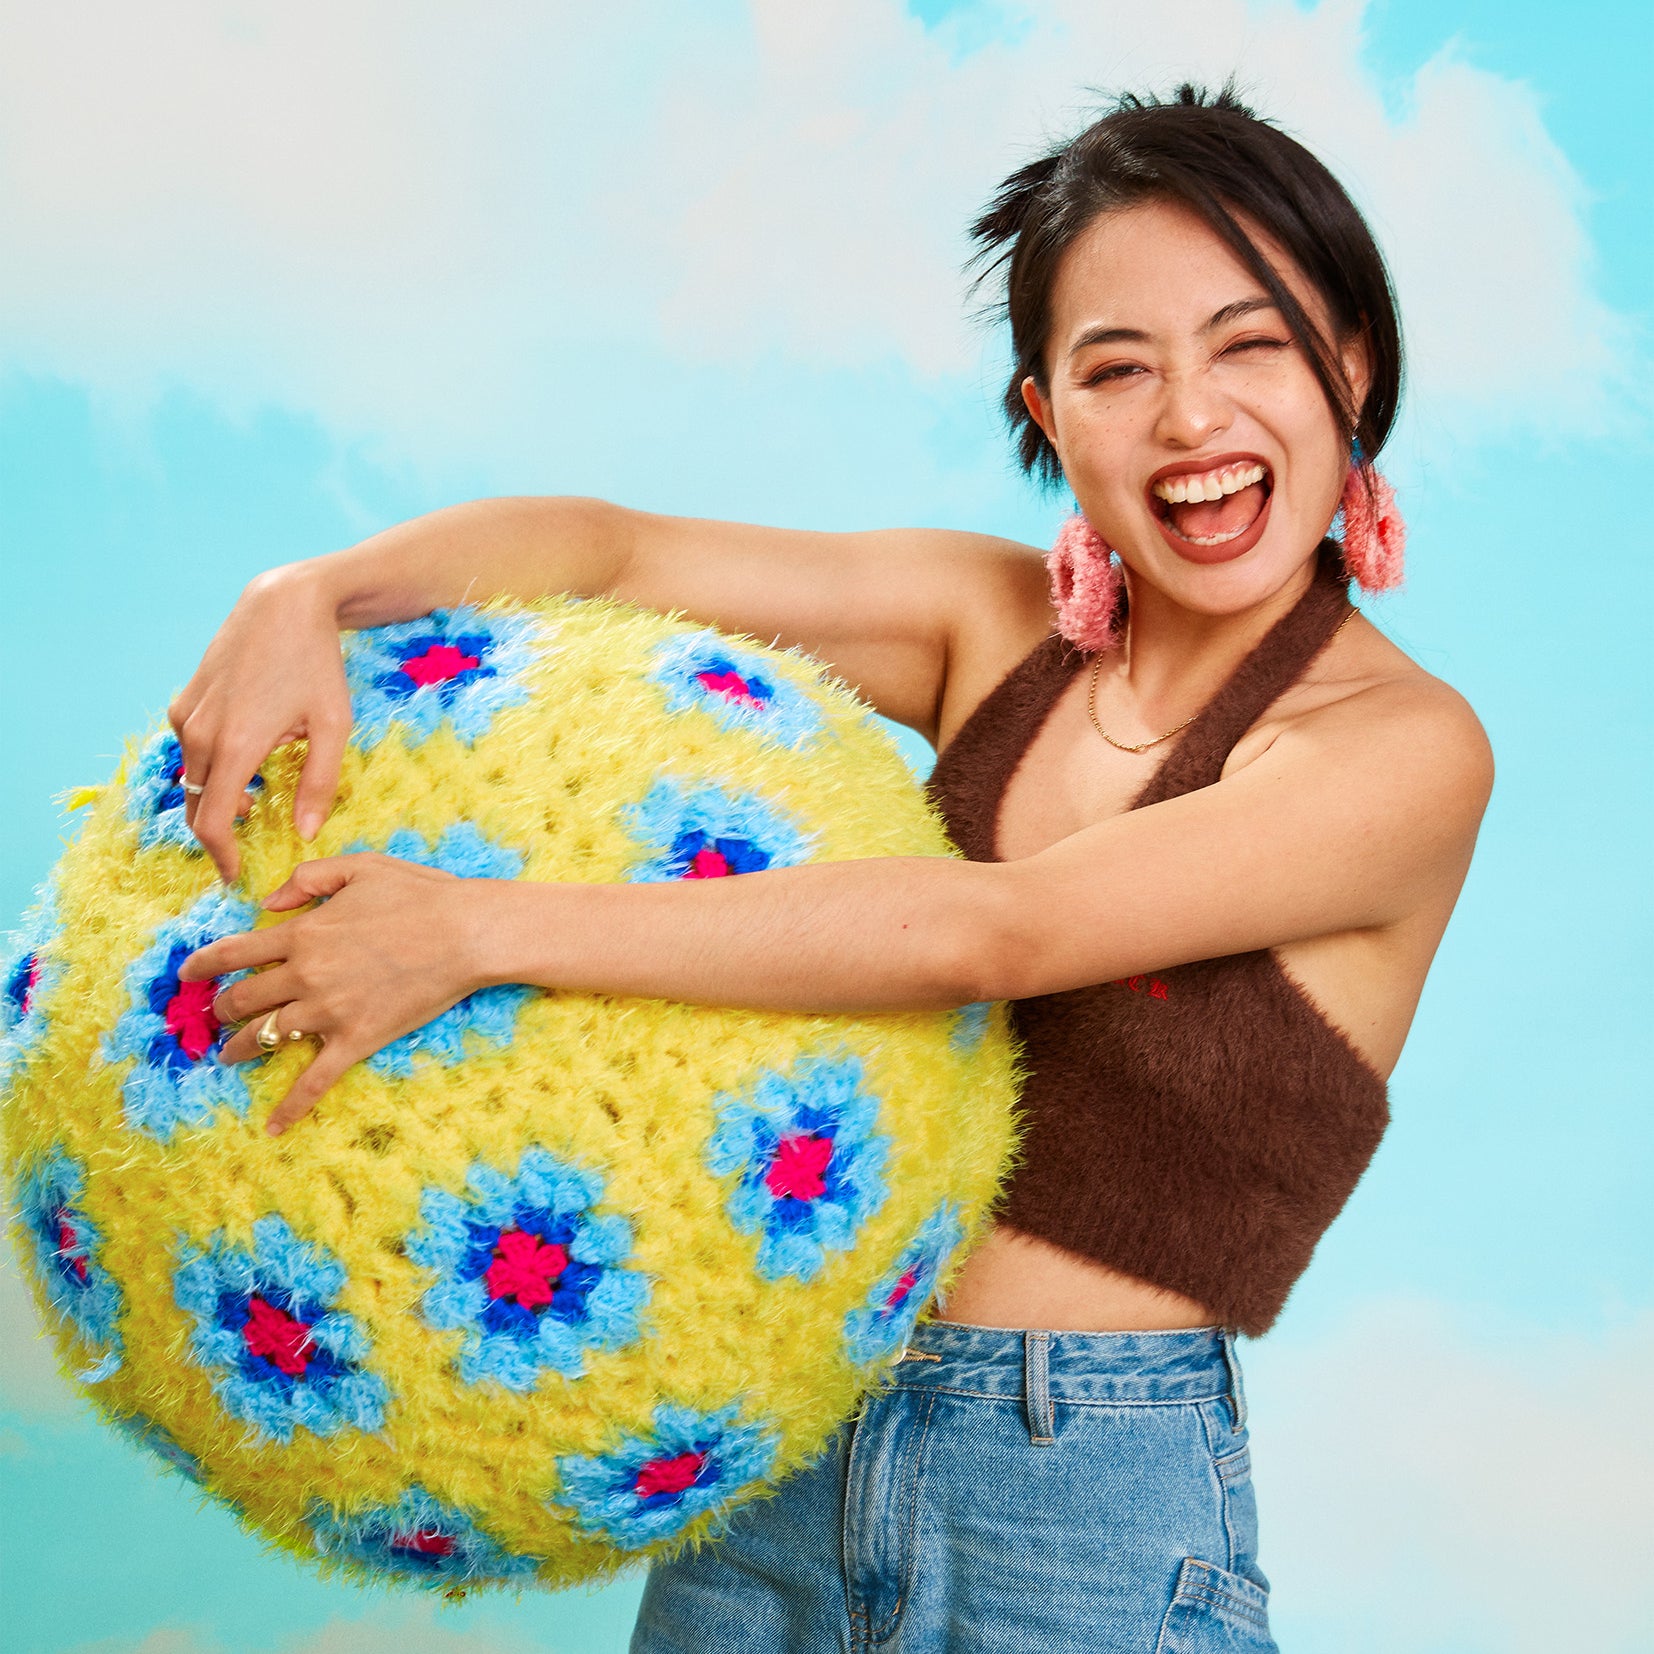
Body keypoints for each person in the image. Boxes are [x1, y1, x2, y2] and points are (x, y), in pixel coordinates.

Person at [173, 85, 1491, 1652]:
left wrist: (474, 931)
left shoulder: (1402, 750)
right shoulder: (983, 621)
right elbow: (616, 555)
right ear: (1046, 415)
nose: (1190, 418)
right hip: (782, 1434)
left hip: (1084, 1498)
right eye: (1115, 368)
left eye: (1248, 344)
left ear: (1348, 364)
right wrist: (310, 589)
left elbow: (994, 932)